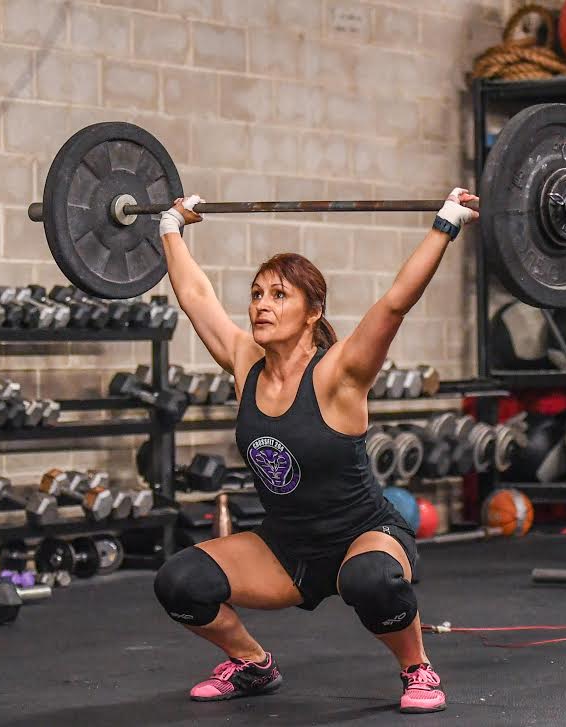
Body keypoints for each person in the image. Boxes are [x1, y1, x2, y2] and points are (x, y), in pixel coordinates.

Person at [151, 187, 480, 713]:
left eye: (279, 295)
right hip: (286, 547)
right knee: (179, 582)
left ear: (312, 311)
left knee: (370, 580)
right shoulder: (244, 362)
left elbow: (396, 301)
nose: (261, 304)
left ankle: (417, 668)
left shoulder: (339, 372)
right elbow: (196, 297)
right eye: (257, 293)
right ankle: (253, 664)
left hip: (364, 536)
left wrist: (446, 223)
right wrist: (170, 226)